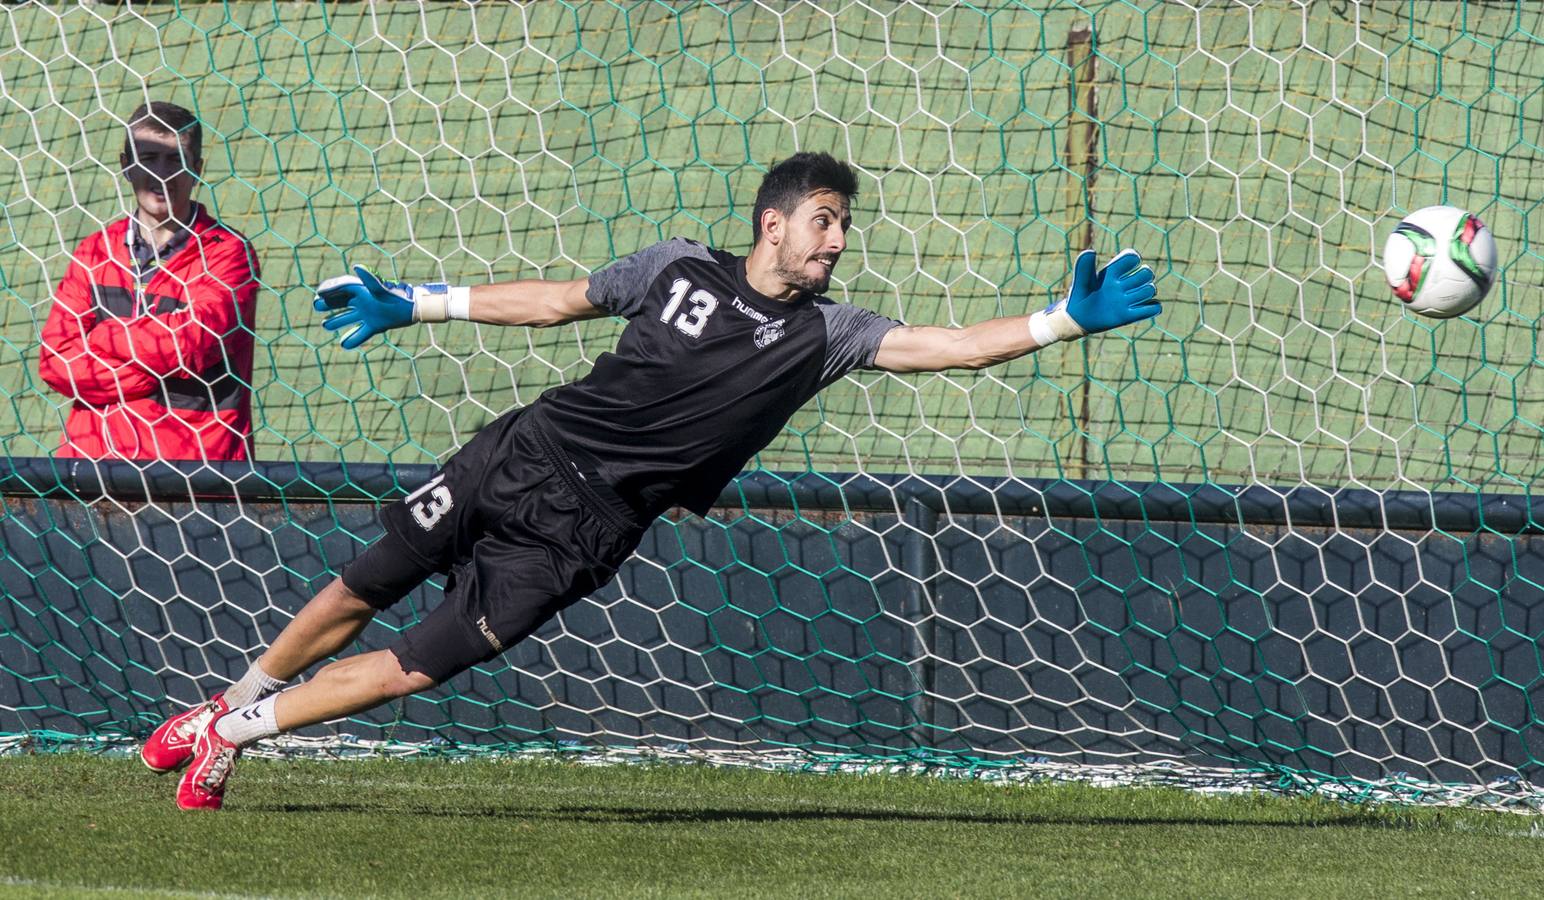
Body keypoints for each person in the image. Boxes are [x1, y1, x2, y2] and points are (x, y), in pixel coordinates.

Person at [139, 152, 1159, 810]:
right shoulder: (675, 267)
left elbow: (951, 346)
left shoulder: (827, 336)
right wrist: (416, 302)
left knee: (417, 663)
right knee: (362, 586)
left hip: (586, 532)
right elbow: (560, 301)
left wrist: (1059, 322)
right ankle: (232, 708)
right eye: (823, 220)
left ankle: (229, 728)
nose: (837, 240)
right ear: (771, 223)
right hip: (520, 454)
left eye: (843, 225)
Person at [38, 101, 260, 461]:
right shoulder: (94, 252)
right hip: (97, 470)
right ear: (126, 165)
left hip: (198, 475)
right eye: (149, 157)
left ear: (197, 169)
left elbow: (192, 342)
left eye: (176, 159)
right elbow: (56, 361)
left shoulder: (228, 253)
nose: (162, 173)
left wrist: (102, 335)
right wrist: (149, 375)